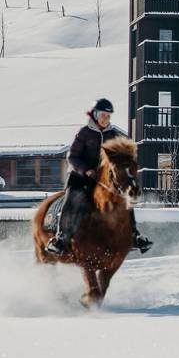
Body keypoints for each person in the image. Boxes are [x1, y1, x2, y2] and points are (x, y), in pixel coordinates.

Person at [44, 98, 153, 256]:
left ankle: (134, 234)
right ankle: (61, 238)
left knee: (125, 197)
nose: (105, 119)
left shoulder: (113, 134)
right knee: (72, 198)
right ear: (95, 115)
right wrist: (86, 170)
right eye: (103, 115)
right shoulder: (84, 133)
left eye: (108, 116)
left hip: (105, 178)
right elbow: (72, 157)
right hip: (80, 175)